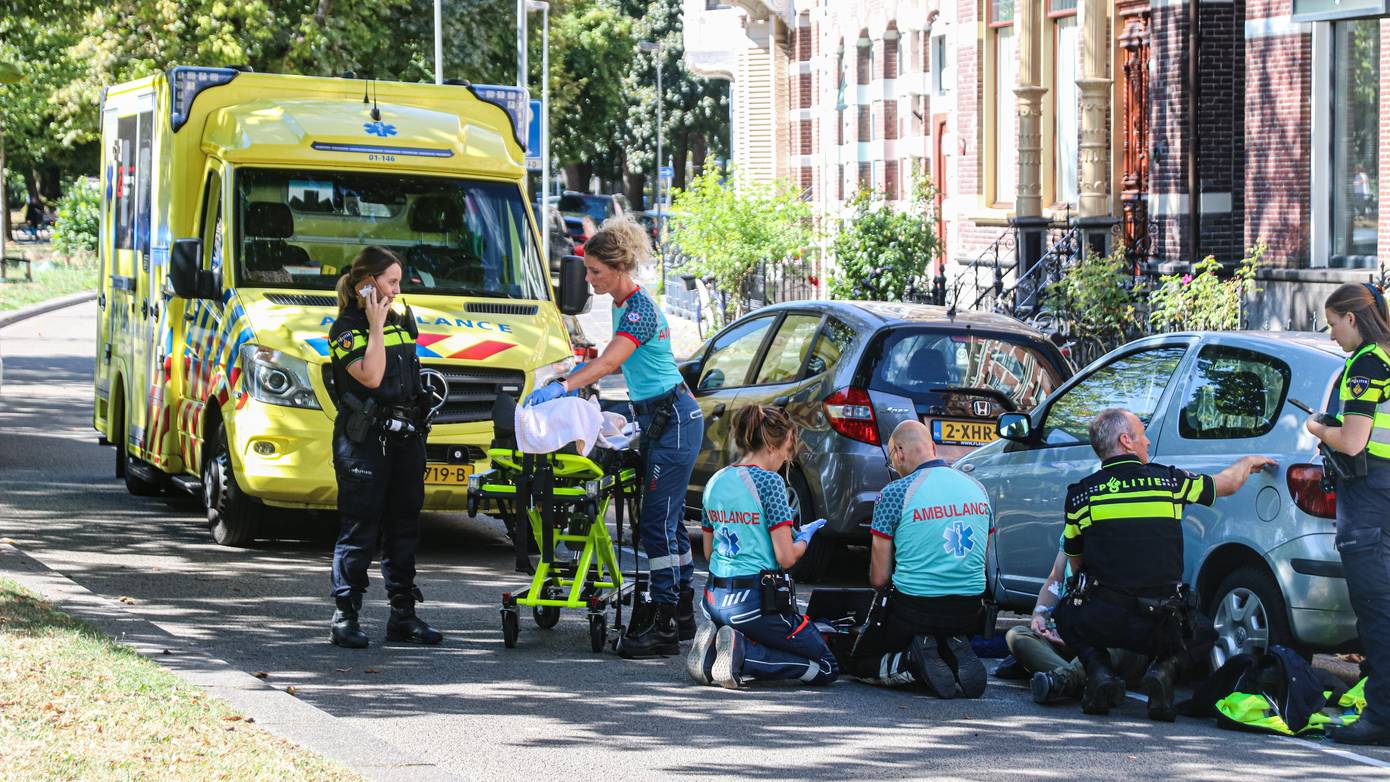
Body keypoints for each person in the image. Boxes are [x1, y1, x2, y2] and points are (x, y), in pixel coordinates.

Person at [524, 217, 704, 658]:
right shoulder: (625, 305)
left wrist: (564, 386)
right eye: (587, 272)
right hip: (663, 417)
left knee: (656, 525)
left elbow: (609, 363)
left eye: (595, 272)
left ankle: (663, 622)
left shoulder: (638, 310)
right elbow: (614, 363)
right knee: (669, 523)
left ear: (619, 267)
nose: (589, 280)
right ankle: (680, 615)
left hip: (674, 419)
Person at [1053, 407, 1274, 720]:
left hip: (1105, 620)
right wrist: (1248, 462)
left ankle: (1099, 672)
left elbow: (1077, 570)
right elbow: (1226, 484)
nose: (1147, 441)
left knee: (1065, 611)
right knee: (1204, 631)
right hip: (1161, 625)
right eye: (1142, 434)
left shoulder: (1080, 496)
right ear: (1126, 441)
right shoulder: (1170, 482)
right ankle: (1164, 671)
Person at [326, 246, 442, 649]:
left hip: (406, 439)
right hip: (365, 442)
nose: (396, 289)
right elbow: (372, 377)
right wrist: (374, 325)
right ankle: (346, 615)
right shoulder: (345, 328)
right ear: (368, 283)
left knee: (404, 528)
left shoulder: (402, 321)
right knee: (360, 527)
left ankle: (403, 615)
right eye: (391, 281)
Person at [686, 405, 837, 688]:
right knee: (827, 667)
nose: (786, 457)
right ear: (771, 444)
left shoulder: (715, 481)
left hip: (713, 600)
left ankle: (713, 655)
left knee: (778, 640)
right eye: (787, 449)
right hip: (753, 603)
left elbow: (709, 553)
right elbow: (786, 557)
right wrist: (804, 538)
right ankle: (743, 657)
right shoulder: (770, 482)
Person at [844, 420, 991, 698]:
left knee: (859, 663)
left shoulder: (894, 493)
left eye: (892, 460)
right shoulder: (977, 489)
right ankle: (950, 646)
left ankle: (912, 660)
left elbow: (879, 578)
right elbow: (980, 561)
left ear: (898, 452)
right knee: (945, 631)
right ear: (933, 447)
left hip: (915, 609)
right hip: (969, 609)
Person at [1306, 283, 1390, 746]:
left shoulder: (1367, 365)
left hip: (1370, 499)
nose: (1332, 334)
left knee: (1378, 615)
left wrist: (1316, 425)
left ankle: (1380, 717)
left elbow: (1353, 441)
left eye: (1334, 323)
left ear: (1353, 319)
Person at [1005, 544, 1145, 705]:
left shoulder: (1123, 534)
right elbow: (1055, 578)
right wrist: (1040, 616)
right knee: (1017, 635)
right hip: (1074, 636)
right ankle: (1092, 684)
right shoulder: (1071, 530)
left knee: (1116, 639)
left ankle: (1066, 679)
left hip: (1115, 641)